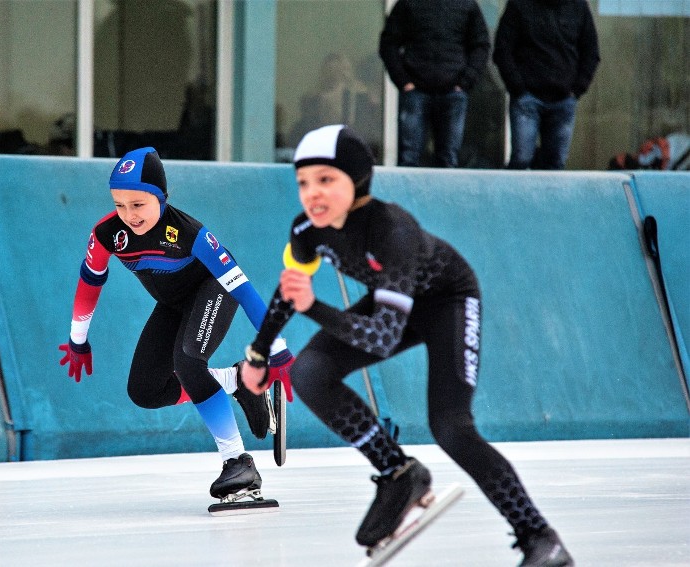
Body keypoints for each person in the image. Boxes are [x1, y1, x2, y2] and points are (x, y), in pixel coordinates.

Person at [240, 125, 574, 566]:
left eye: (326, 180)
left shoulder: (392, 229)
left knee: (452, 427)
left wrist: (314, 307)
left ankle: (540, 538)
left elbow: (381, 339)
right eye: (303, 182)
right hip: (392, 301)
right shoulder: (306, 229)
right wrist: (258, 354)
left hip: (447, 301)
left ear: (356, 181)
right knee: (309, 372)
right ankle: (399, 473)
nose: (311, 194)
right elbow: (290, 290)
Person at [58, 146, 294, 502]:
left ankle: (238, 463)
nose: (129, 216)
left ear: (161, 197)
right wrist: (78, 340)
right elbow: (90, 282)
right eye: (120, 205)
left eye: (138, 205)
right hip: (172, 304)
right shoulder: (107, 234)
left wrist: (277, 350)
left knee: (188, 362)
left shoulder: (190, 233)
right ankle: (240, 381)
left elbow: (244, 292)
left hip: (213, 291)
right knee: (145, 391)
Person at [378, 0, 490, 168]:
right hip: (418, 91)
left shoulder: (466, 5)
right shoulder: (409, 4)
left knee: (446, 159)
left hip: (450, 91)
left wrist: (465, 82)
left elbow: (480, 46)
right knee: (411, 158)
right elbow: (389, 44)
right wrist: (404, 81)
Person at [493, 0, 600, 170]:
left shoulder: (578, 6)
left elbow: (591, 52)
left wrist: (577, 89)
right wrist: (518, 88)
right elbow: (503, 49)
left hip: (563, 100)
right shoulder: (519, 5)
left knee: (555, 165)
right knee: (521, 160)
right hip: (527, 99)